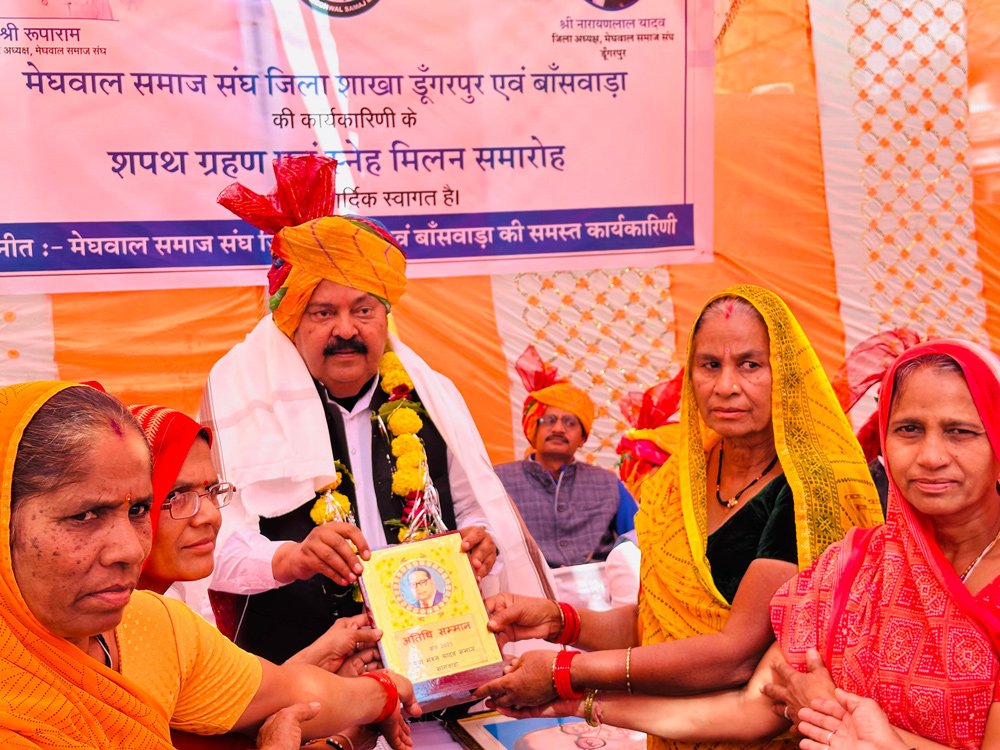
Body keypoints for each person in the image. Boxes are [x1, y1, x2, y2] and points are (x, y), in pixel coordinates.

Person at [495, 339, 1000, 750]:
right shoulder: (856, 564)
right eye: (909, 429)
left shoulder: (807, 493)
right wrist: (579, 702)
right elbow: (747, 709)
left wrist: (854, 729)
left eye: (960, 432)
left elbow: (735, 655)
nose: (931, 455)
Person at [473, 285, 883, 750]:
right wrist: (559, 622)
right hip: (669, 735)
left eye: (750, 364)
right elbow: (656, 627)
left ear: (785, 372)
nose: (725, 386)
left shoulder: (811, 489)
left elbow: (734, 656)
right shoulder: (679, 481)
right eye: (709, 365)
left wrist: (566, 673)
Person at [200, 155, 554, 663]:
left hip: (435, 660)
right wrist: (290, 558)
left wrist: (486, 538)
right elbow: (213, 550)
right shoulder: (246, 408)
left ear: (385, 317)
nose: (346, 329)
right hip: (301, 674)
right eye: (323, 312)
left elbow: (475, 505)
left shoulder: (431, 399)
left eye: (363, 310)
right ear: (291, 322)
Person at [0, 381, 420, 749]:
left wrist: (384, 692)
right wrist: (339, 742)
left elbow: (285, 692)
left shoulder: (151, 626)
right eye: (85, 515)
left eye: (139, 509)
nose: (129, 548)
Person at [130, 403, 384, 750]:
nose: (210, 516)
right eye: (177, 496)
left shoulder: (169, 607)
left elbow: (231, 707)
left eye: (211, 491)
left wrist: (316, 667)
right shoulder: (131, 627)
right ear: (131, 508)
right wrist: (348, 734)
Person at [494, 346, 638, 567]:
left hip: (599, 586)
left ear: (583, 437)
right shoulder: (499, 480)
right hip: (526, 584)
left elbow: (638, 536)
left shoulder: (608, 483)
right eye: (549, 420)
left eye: (570, 423)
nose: (559, 429)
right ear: (533, 429)